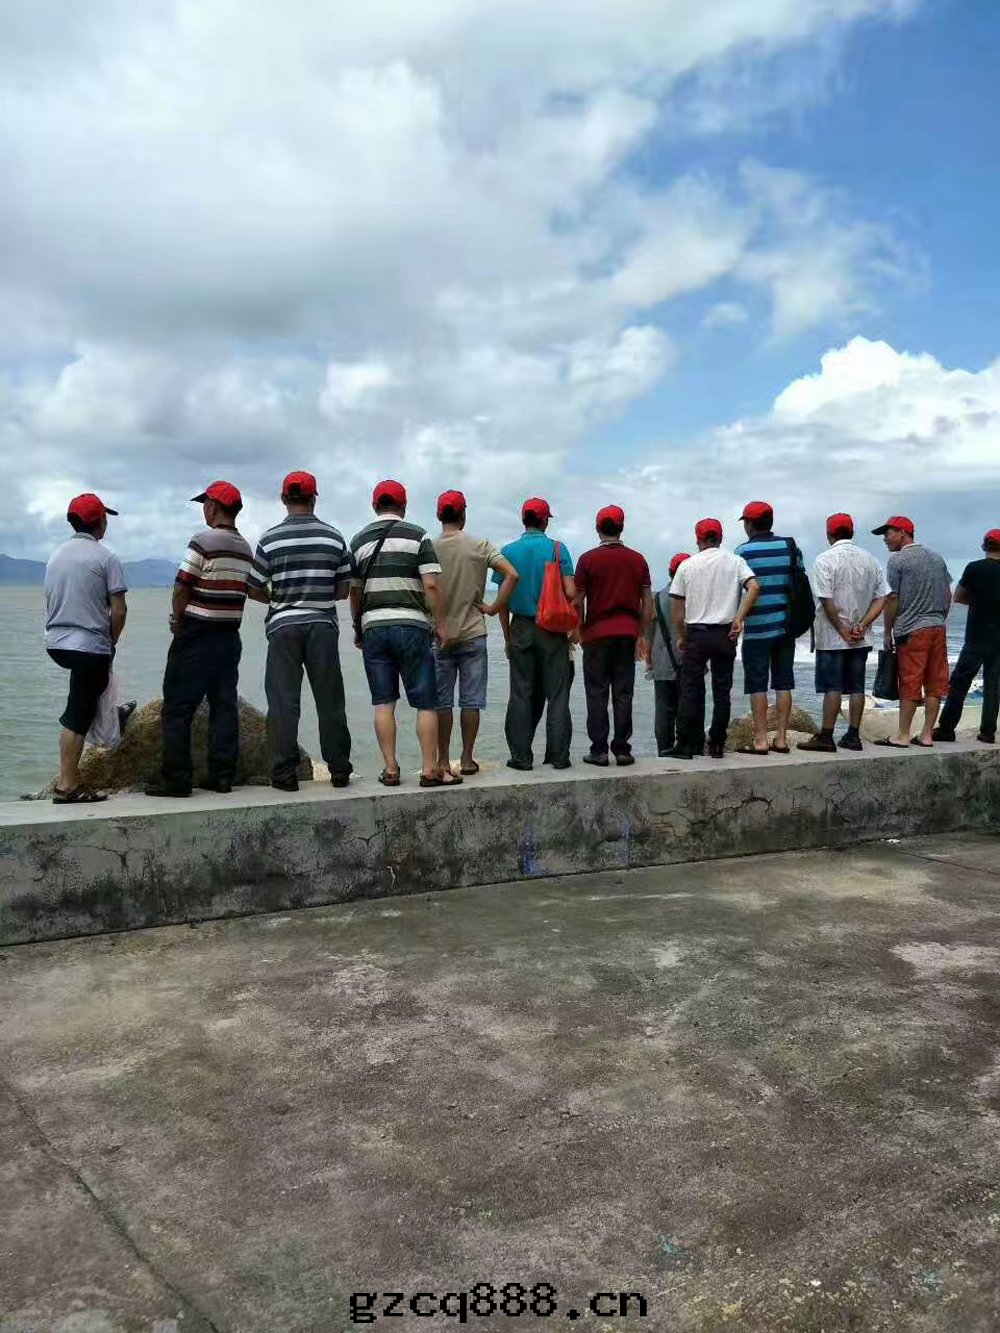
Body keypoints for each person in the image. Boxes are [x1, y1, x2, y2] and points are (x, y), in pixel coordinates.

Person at [248, 471, 355, 792]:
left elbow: (253, 587)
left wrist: (277, 598)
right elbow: (344, 589)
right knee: (330, 701)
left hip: (283, 626)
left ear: (284, 499)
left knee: (283, 703)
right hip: (322, 625)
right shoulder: (334, 538)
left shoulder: (269, 539)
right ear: (314, 498)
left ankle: (284, 773)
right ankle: (339, 769)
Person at [146, 481, 253, 797]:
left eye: (205, 504)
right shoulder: (245, 548)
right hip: (229, 636)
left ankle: (177, 780)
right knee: (224, 705)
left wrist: (177, 619)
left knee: (177, 708)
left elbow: (182, 585)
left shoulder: (203, 541)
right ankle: (222, 777)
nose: (204, 509)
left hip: (197, 633)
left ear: (213, 506)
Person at [350, 480, 456, 788]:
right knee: (425, 701)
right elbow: (432, 584)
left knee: (383, 702)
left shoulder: (359, 541)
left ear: (375, 506)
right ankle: (429, 770)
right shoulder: (419, 536)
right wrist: (440, 624)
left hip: (374, 626)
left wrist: (358, 626)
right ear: (404, 506)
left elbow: (355, 592)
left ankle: (391, 769)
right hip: (412, 626)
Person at [44, 493, 132, 803]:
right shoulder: (106, 558)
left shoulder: (56, 556)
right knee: (77, 713)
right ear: (101, 522)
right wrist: (111, 641)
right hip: (88, 646)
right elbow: (119, 610)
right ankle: (67, 785)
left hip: (56, 643)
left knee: (83, 697)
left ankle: (110, 719)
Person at [433, 490, 519, 776]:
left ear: (439, 515)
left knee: (442, 701)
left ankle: (443, 761)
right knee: (471, 701)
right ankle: (468, 759)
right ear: (463, 514)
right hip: (473, 632)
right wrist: (494, 608)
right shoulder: (480, 545)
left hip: (439, 635)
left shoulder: (429, 547)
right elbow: (512, 575)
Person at [494, 498, 575, 771]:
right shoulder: (557, 548)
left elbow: (502, 601)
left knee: (521, 693)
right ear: (545, 521)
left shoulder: (508, 551)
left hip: (521, 626)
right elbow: (571, 591)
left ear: (523, 520)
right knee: (558, 695)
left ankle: (521, 758)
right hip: (552, 627)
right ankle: (558, 757)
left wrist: (507, 637)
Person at [797, 513, 890, 754]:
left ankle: (826, 736)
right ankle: (853, 735)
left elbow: (826, 599)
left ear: (829, 534)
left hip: (832, 637)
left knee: (833, 687)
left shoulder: (824, 560)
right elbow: (882, 597)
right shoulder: (870, 560)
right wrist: (864, 625)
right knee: (857, 687)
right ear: (852, 532)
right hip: (860, 636)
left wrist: (841, 629)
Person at [669, 519, 759, 760]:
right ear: (720, 538)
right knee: (722, 691)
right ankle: (717, 744)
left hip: (697, 633)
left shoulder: (687, 565)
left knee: (689, 689)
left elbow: (678, 611)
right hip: (724, 634)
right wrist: (739, 618)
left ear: (698, 539)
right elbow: (754, 587)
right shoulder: (735, 561)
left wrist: (682, 636)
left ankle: (684, 744)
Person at [573, 505, 654, 767]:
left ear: (598, 529)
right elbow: (647, 602)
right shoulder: (638, 560)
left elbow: (578, 600)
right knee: (623, 692)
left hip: (596, 634)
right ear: (621, 528)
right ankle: (622, 749)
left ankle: (598, 751)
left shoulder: (587, 560)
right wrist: (642, 634)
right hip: (627, 633)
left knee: (596, 692)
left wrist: (578, 629)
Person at [872, 515, 951, 748]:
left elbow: (892, 599)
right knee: (935, 684)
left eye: (888, 534)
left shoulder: (897, 561)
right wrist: (940, 618)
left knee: (910, 682)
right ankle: (927, 735)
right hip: (937, 627)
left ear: (902, 533)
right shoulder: (937, 558)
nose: (885, 539)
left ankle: (903, 736)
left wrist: (887, 631)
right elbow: (947, 593)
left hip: (911, 630)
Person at [735, 501, 805, 755]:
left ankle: (761, 739)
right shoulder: (790, 547)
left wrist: (737, 619)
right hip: (785, 627)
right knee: (783, 683)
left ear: (749, 524)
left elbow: (739, 590)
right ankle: (782, 739)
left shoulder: (742, 552)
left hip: (757, 629)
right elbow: (798, 582)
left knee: (757, 685)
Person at [934, 529, 1000, 744]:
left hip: (976, 636)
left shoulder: (974, 568)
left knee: (960, 682)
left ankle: (946, 728)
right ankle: (988, 732)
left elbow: (959, 596)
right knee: (994, 685)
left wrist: (980, 601)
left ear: (984, 546)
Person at [645, 552, 690, 756]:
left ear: (670, 572)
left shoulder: (657, 598)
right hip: (687, 662)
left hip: (662, 662)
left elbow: (649, 633)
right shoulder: (694, 597)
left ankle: (663, 749)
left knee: (663, 710)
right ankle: (686, 746)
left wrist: (649, 660)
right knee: (687, 706)